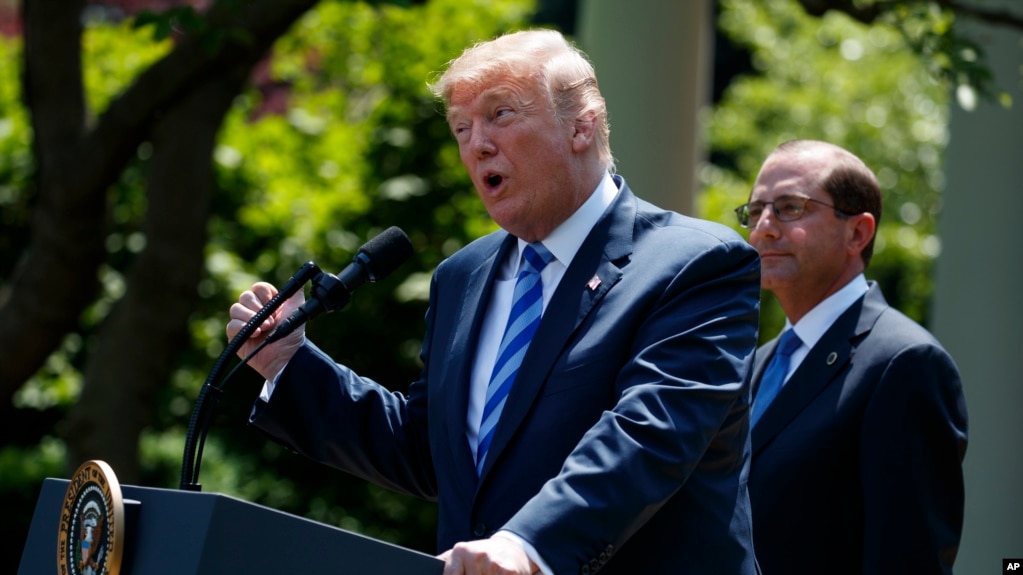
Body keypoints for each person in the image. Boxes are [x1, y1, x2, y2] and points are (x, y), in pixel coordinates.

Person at [228, 29, 762, 575]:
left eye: (500, 115)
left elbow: (652, 432)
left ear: (582, 124)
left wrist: (529, 544)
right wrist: (288, 365)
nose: (476, 144)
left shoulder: (696, 263)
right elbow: (429, 453)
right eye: (462, 128)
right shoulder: (462, 276)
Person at [736, 139, 968, 574]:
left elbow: (909, 560)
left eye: (790, 207)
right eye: (755, 210)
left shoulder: (905, 363)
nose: (763, 228)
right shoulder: (759, 362)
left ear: (857, 233)